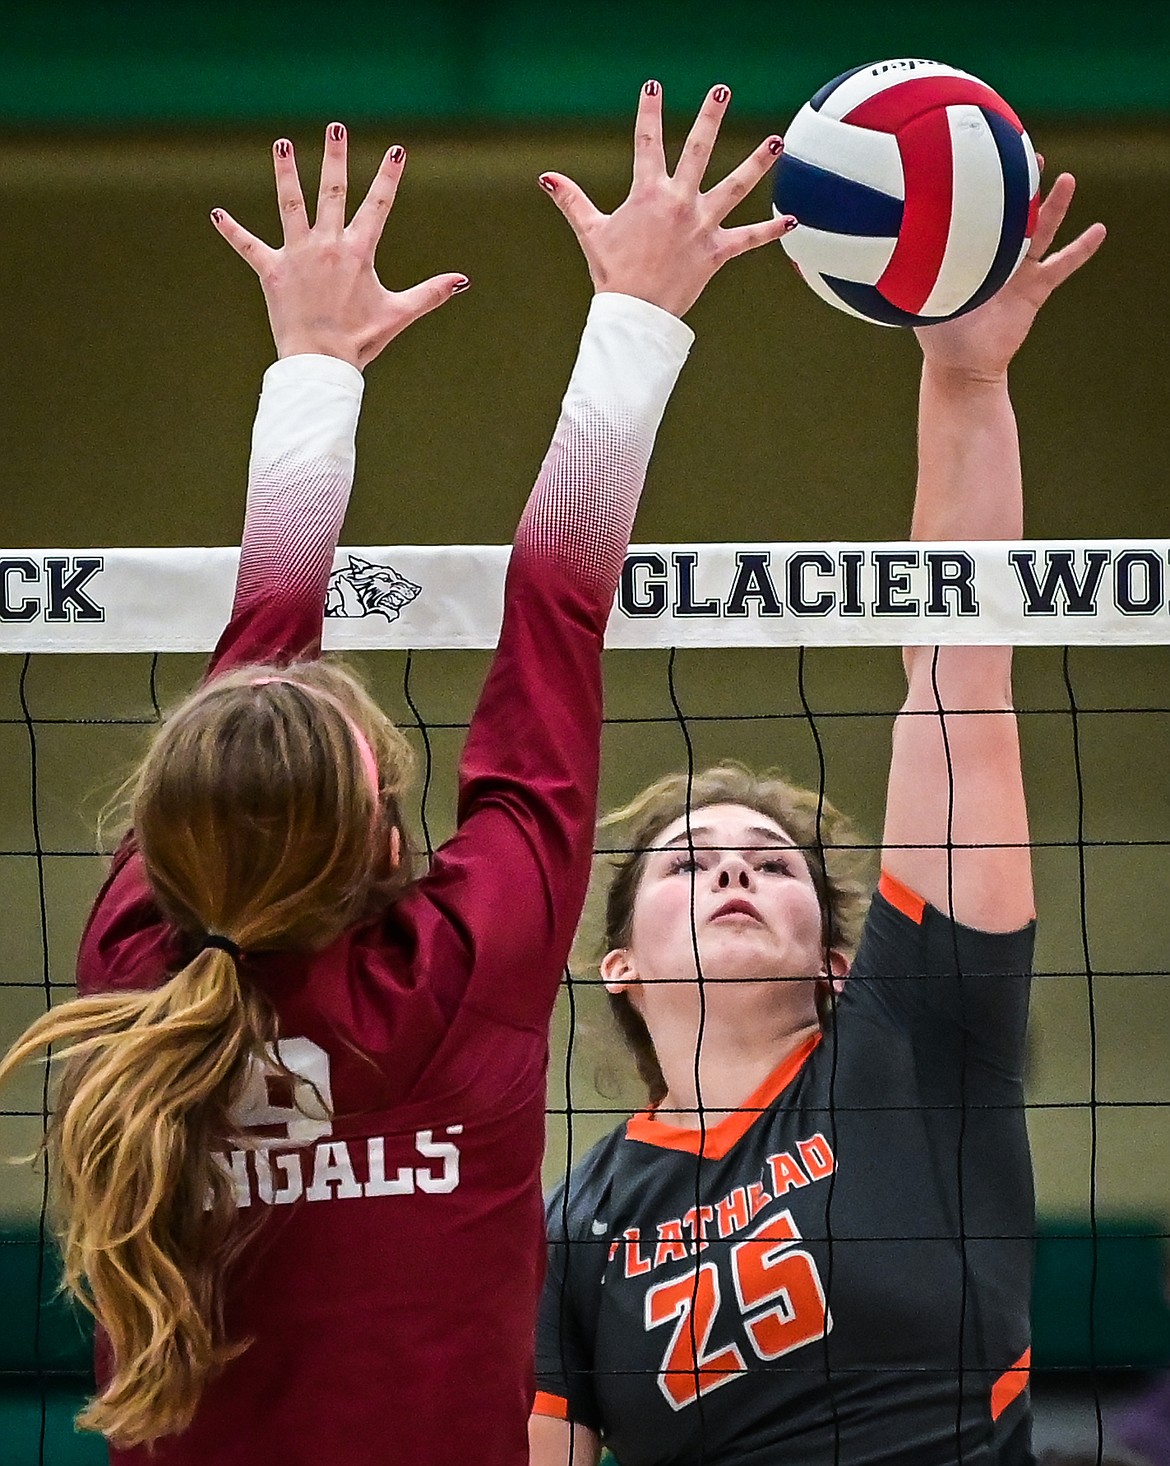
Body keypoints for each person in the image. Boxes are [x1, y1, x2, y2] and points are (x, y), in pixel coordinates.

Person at [0, 90, 793, 1465]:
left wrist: (326, 359)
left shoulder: (140, 973)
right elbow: (536, 611)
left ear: (173, 835)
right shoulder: (452, 962)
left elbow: (329, 665)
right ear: (378, 817)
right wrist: (621, 313)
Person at [530, 174, 1107, 1466]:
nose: (735, 866)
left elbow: (956, 673)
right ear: (615, 962)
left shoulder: (912, 1043)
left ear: (836, 957)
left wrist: (965, 381)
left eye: (771, 862)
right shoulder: (572, 1228)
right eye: (690, 862)